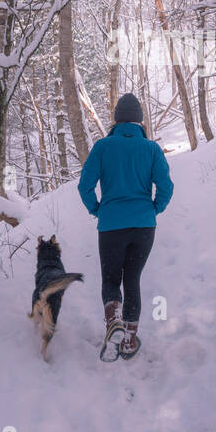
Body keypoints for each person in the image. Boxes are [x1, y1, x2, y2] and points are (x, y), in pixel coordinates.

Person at [77, 93, 173, 361]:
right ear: (139, 120)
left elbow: (85, 185)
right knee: (133, 280)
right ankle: (129, 341)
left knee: (111, 280)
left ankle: (113, 322)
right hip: (144, 226)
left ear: (117, 119)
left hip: (110, 225)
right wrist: (154, 209)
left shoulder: (103, 147)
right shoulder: (152, 149)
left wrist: (96, 209)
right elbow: (166, 187)